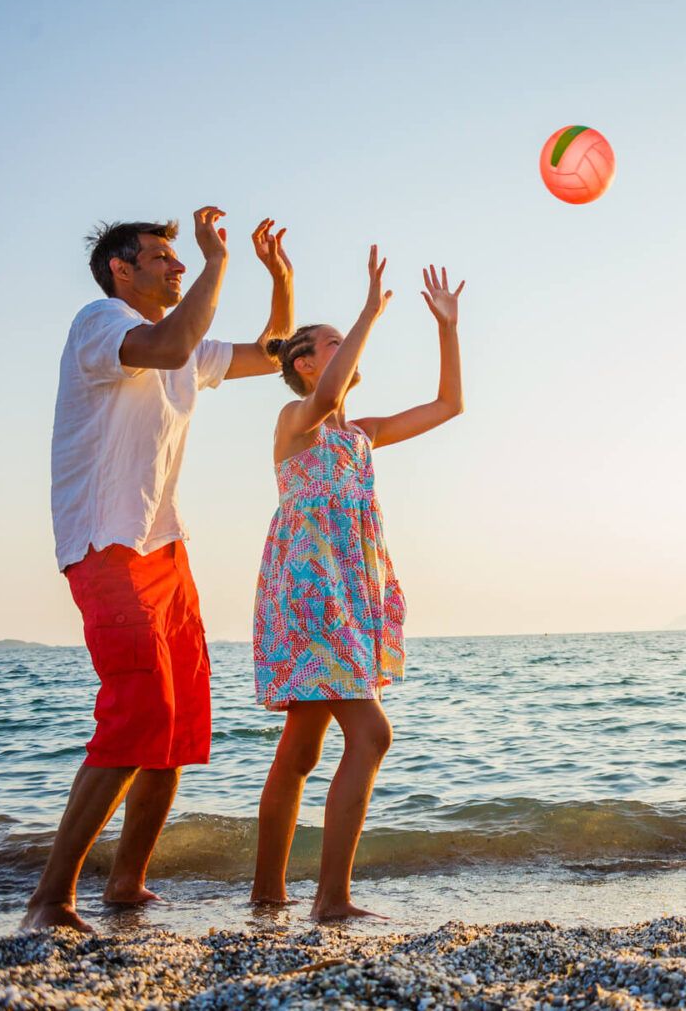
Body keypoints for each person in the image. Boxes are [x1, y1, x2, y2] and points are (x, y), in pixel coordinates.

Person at [23, 211, 294, 932]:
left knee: (176, 722)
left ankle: (127, 883)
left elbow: (273, 355)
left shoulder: (183, 349)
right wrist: (216, 262)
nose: (177, 269)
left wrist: (281, 279)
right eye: (162, 258)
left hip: (164, 548)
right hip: (104, 543)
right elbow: (172, 343)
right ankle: (50, 897)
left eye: (182, 260)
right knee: (136, 710)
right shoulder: (100, 322)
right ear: (121, 268)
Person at [250, 250, 466, 920]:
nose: (348, 345)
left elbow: (450, 404)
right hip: (311, 594)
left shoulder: (362, 436)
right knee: (371, 735)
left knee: (302, 748)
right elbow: (325, 398)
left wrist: (447, 327)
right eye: (334, 342)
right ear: (305, 363)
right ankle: (331, 899)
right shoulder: (296, 423)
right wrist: (371, 307)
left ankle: (267, 895)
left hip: (347, 593)